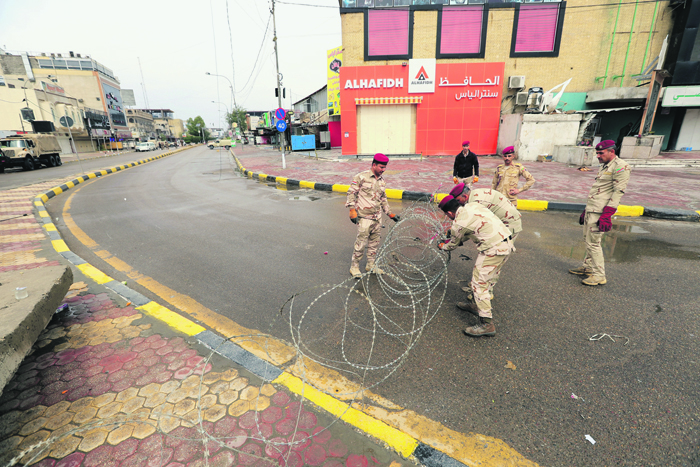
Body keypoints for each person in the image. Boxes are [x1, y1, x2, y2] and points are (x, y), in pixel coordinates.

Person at [437, 195, 514, 337]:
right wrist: (455, 238)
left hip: (493, 250)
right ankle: (476, 306)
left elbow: (451, 245)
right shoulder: (473, 206)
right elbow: (471, 230)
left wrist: (442, 245)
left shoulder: (458, 224)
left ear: (449, 213)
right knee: (488, 280)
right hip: (506, 244)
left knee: (478, 284)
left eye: (447, 216)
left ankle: (486, 324)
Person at [569, 140, 631, 286]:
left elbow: (618, 192)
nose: (598, 155)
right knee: (588, 241)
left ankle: (599, 275)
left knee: (594, 243)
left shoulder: (621, 167)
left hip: (600, 212)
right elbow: (599, 190)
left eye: (601, 153)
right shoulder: (605, 166)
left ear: (611, 152)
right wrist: (586, 210)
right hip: (593, 208)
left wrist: (607, 215)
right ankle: (588, 267)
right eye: (597, 153)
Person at [346, 153, 401, 278]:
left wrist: (390, 213)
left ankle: (370, 265)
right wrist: (352, 210)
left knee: (374, 243)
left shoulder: (381, 181)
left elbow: (383, 199)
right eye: (381, 167)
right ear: (374, 165)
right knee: (361, 243)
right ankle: (354, 267)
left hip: (377, 217)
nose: (383, 170)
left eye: (385, 167)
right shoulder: (361, 177)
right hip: (364, 217)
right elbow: (351, 193)